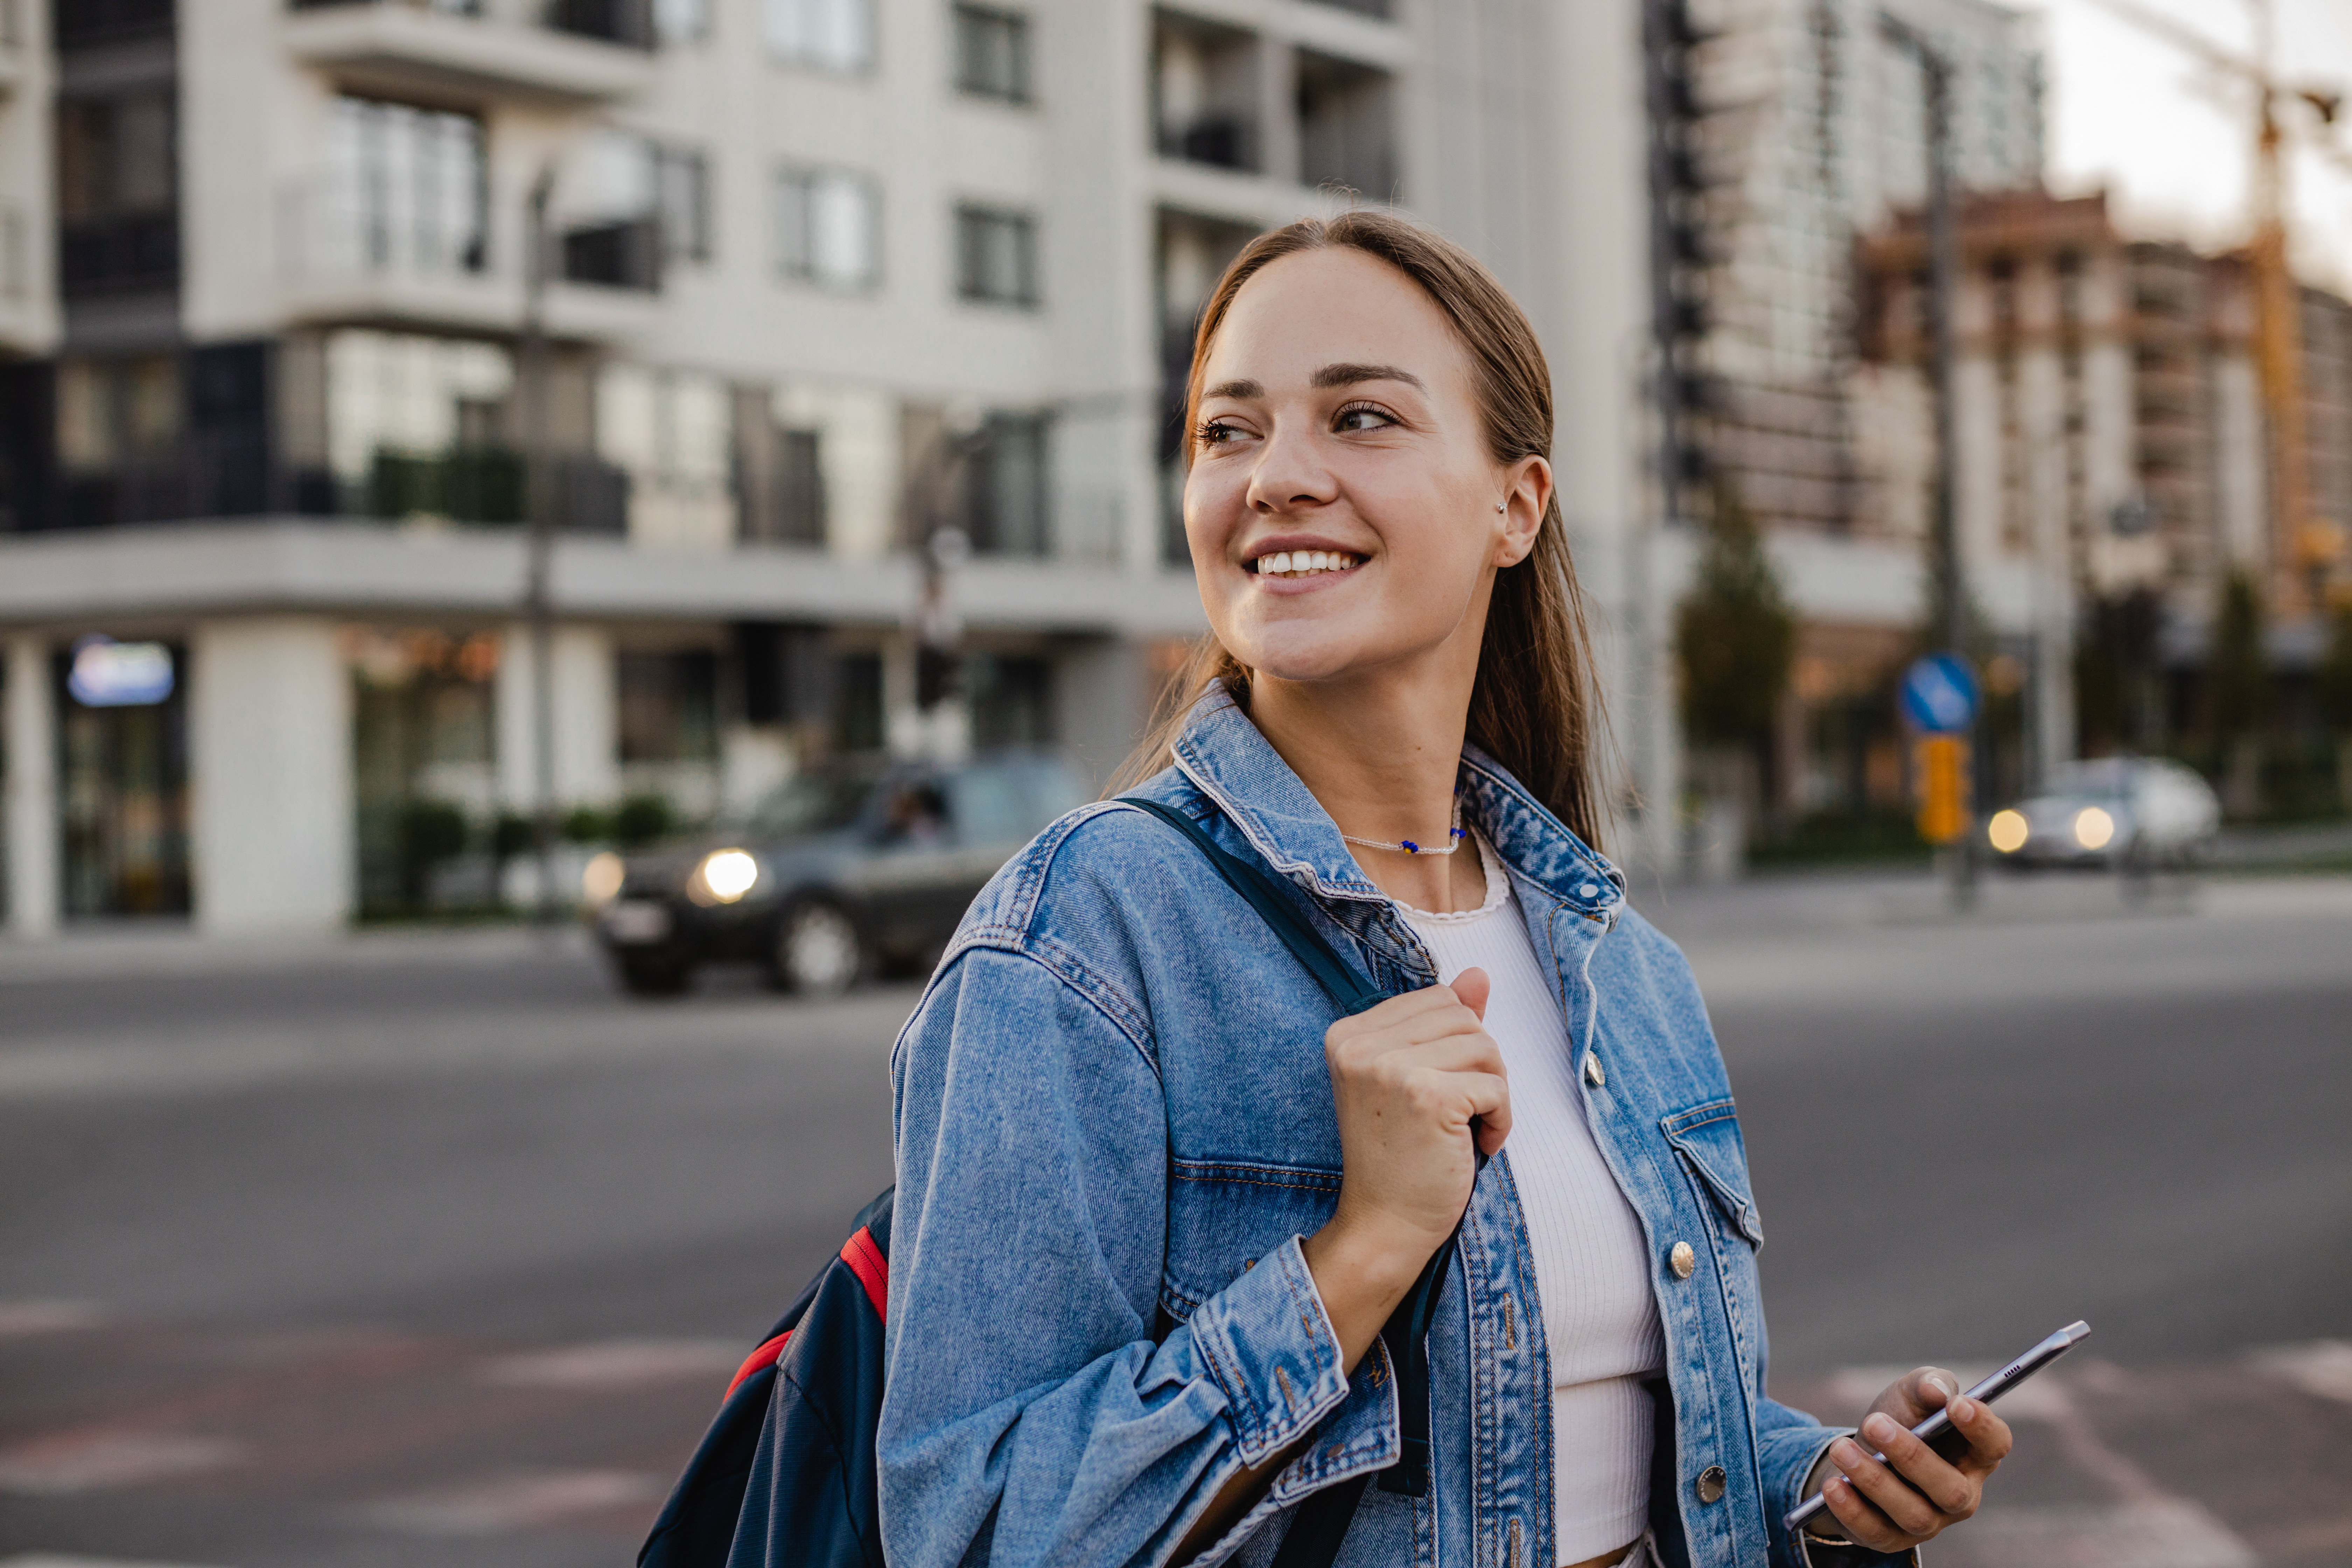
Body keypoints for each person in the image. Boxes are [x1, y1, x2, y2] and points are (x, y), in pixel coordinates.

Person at [878, 211, 2012, 1568]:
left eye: (1359, 417)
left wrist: (1816, 1482)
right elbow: (971, 1527)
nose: (1276, 477)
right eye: (1229, 431)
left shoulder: (1620, 962)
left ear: (1513, 508)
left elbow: (1593, 1433)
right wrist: (1360, 1253)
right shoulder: (1088, 931)